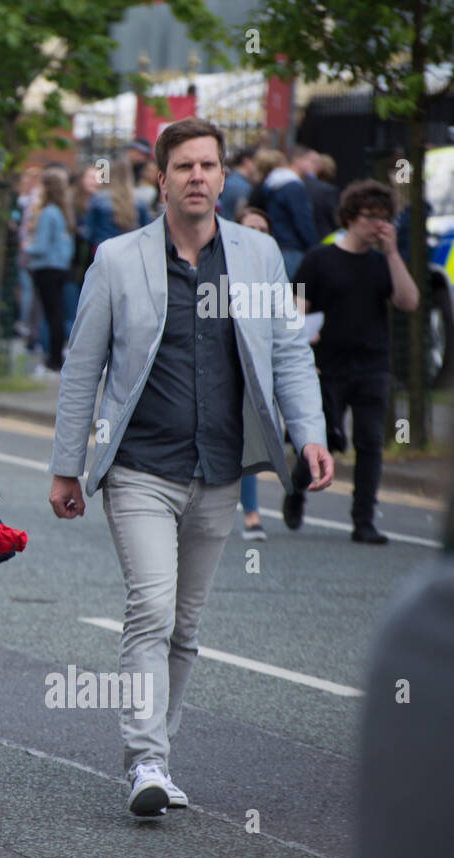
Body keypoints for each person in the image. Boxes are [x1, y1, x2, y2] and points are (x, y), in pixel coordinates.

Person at [48, 117, 332, 817]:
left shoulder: (259, 256)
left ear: (224, 177)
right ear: (162, 178)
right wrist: (65, 465)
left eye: (209, 166)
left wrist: (311, 432)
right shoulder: (117, 259)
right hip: (142, 464)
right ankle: (145, 758)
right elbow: (83, 368)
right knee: (151, 607)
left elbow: (289, 350)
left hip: (220, 468)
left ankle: (159, 754)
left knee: (186, 624)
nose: (198, 177)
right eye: (185, 167)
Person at [285, 179, 419, 545]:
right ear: (349, 216)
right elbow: (297, 309)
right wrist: (300, 352)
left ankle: (364, 521)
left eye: (385, 217)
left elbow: (409, 302)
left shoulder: (383, 263)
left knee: (370, 442)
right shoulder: (319, 259)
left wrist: (393, 254)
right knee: (323, 438)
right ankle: (296, 491)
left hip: (372, 365)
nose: (378, 224)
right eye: (370, 216)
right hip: (328, 365)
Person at [234, 206, 274, 540]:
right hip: (221, 373)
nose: (257, 235)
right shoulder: (218, 269)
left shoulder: (275, 271)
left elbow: (291, 321)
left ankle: (251, 513)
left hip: (257, 374)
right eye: (251, 229)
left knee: (248, 441)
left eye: (263, 229)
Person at [27, 168, 75, 373]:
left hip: (46, 267)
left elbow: (41, 246)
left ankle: (53, 359)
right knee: (58, 312)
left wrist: (26, 246)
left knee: (50, 314)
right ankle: (57, 356)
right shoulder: (64, 212)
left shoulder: (48, 213)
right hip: (61, 267)